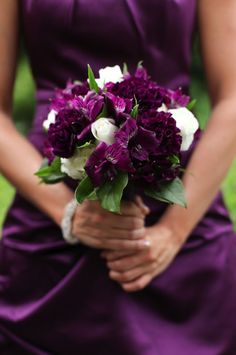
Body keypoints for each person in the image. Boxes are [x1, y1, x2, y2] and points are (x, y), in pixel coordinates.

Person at [0, 0, 236, 354]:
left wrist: (173, 232)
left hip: (181, 219)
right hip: (48, 226)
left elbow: (233, 97)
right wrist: (69, 213)